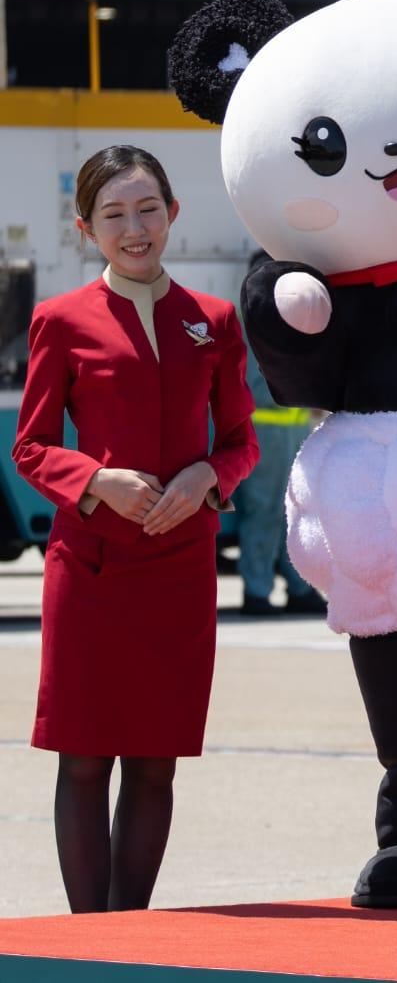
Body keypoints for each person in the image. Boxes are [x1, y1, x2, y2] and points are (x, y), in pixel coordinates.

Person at [15, 145, 259, 912]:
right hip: (90, 570)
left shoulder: (214, 321)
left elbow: (241, 439)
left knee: (156, 765)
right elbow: (30, 447)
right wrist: (94, 481)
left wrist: (209, 478)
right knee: (84, 761)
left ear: (173, 214)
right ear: (87, 227)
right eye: (115, 215)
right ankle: (90, 939)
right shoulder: (60, 319)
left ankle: (132, 934)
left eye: (147, 208)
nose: (135, 227)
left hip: (180, 569)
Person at [231, 347, 323, 616]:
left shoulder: (279, 328)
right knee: (266, 510)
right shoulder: (256, 330)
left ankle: (299, 587)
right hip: (268, 431)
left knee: (294, 512)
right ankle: (257, 591)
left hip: (292, 429)